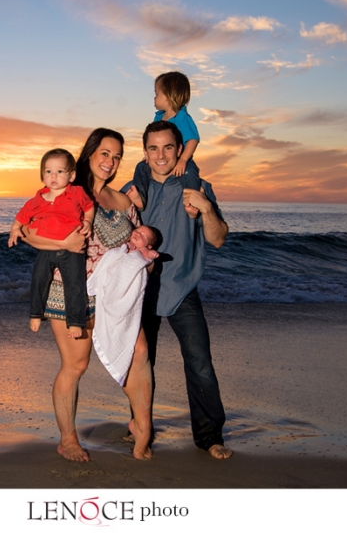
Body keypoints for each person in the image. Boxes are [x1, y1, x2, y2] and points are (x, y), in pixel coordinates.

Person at [16, 128, 154, 462]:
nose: (111, 161)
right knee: (76, 364)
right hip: (68, 290)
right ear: (90, 153)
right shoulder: (65, 192)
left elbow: (138, 243)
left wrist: (144, 262)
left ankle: (143, 427)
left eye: (117, 155)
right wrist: (64, 244)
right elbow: (28, 232)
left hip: (115, 295)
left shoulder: (122, 201)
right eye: (105, 153)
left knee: (138, 351)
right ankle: (67, 440)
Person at [124, 120, 233, 460]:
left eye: (168, 147)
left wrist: (206, 207)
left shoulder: (196, 187)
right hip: (140, 289)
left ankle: (209, 437)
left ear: (179, 149)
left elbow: (217, 238)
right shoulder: (132, 191)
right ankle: (140, 428)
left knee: (200, 362)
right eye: (153, 148)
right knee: (140, 363)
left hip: (183, 287)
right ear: (145, 152)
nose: (160, 155)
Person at [8, 148, 95, 339]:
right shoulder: (38, 199)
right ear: (42, 175)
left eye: (60, 171)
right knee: (39, 279)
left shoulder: (77, 193)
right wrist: (15, 230)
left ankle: (75, 321)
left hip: (72, 252)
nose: (53, 176)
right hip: (47, 250)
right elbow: (22, 217)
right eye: (48, 171)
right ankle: (35, 314)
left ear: (71, 175)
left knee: (75, 285)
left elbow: (89, 208)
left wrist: (87, 221)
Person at [87, 225, 160, 387]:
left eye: (142, 235)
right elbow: (111, 259)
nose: (137, 233)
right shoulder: (125, 247)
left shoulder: (143, 252)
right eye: (137, 230)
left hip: (122, 294)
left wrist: (147, 255)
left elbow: (148, 259)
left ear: (148, 245)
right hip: (110, 288)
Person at [129, 71, 202, 211]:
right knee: (141, 167)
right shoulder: (159, 118)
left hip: (182, 159)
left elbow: (193, 139)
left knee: (190, 173)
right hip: (163, 160)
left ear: (168, 97)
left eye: (156, 94)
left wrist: (183, 160)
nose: (154, 98)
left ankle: (192, 204)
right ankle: (140, 196)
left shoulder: (183, 118)